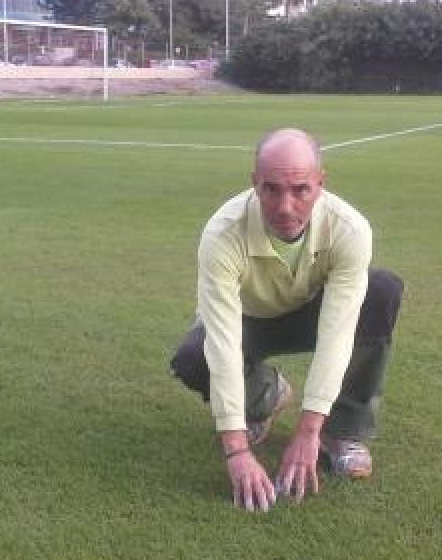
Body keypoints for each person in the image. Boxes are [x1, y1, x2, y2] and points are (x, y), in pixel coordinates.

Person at [170, 128, 404, 512]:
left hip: (308, 313)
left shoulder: (350, 229)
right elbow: (223, 343)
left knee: (380, 291)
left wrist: (310, 428)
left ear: (321, 184)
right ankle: (266, 397)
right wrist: (236, 450)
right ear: (254, 185)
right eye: (271, 189)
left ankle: (342, 432)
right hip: (247, 321)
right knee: (195, 356)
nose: (285, 206)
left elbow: (338, 335)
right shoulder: (222, 234)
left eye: (301, 190)